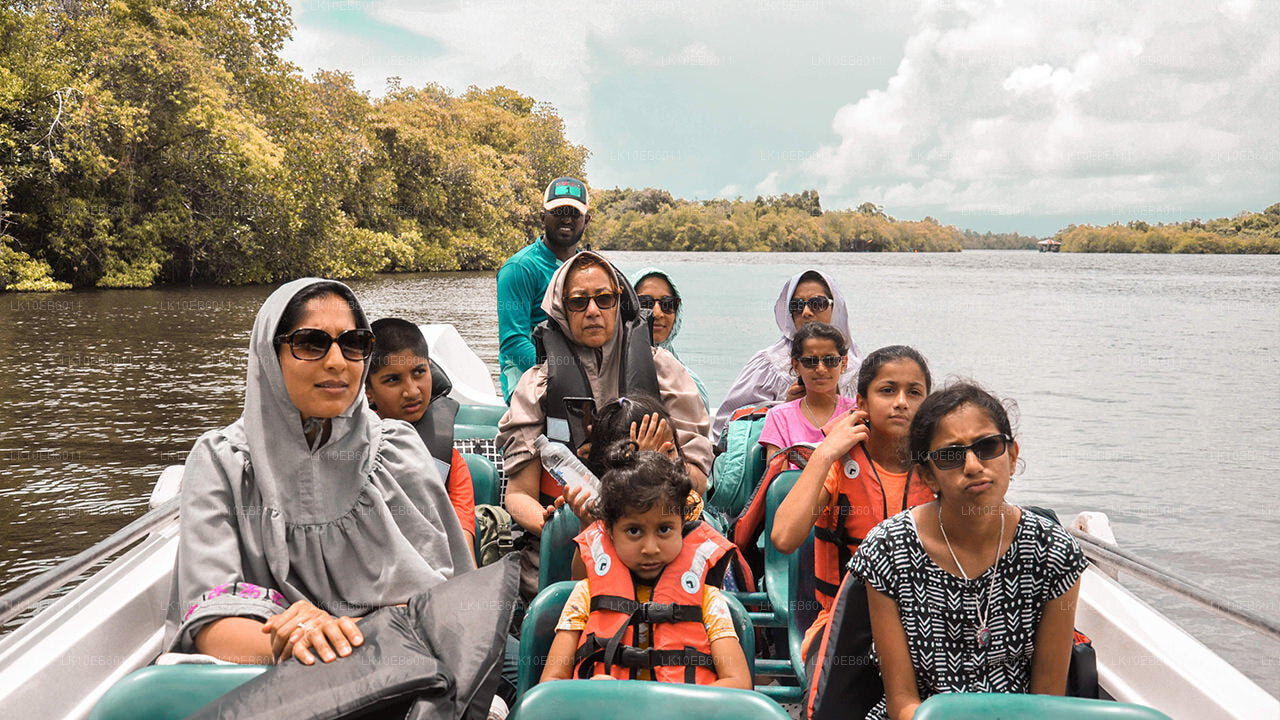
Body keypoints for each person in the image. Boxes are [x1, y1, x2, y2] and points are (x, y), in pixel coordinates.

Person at [165, 278, 474, 666]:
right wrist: (299, 638)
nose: (337, 362)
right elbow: (210, 620)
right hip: (273, 683)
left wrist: (340, 632)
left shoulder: (398, 449)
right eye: (311, 343)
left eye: (353, 343)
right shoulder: (222, 462)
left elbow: (443, 601)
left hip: (400, 671)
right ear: (270, 354)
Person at [849, 382, 1086, 719]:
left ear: (1012, 456)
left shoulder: (1053, 552)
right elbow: (902, 702)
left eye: (987, 446)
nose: (973, 465)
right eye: (950, 455)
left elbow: (1046, 701)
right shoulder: (888, 549)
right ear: (928, 476)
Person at [498, 251, 713, 600]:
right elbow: (519, 495)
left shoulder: (665, 373)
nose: (593, 311)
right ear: (561, 309)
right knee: (549, 597)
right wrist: (556, 524)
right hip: (568, 537)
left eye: (604, 299)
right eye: (578, 302)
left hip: (656, 535)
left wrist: (659, 464)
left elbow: (698, 482)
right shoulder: (536, 386)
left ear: (619, 302)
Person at [540, 441, 752, 688]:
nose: (650, 548)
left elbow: (739, 683)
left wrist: (682, 703)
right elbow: (550, 684)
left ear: (682, 524)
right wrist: (591, 692)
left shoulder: (709, 601)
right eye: (634, 531)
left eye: (664, 529)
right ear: (609, 530)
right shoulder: (584, 596)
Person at [771, 345, 936, 663]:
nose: (901, 402)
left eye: (914, 392)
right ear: (862, 403)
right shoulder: (837, 465)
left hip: (924, 626)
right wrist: (824, 454)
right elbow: (784, 538)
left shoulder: (939, 470)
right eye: (887, 390)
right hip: (843, 625)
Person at [711, 269, 863, 441]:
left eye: (817, 303)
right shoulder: (768, 365)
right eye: (797, 305)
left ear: (835, 307)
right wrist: (785, 407)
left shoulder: (859, 369)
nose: (806, 312)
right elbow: (726, 427)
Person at [365, 317, 476, 549]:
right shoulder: (354, 449)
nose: (412, 391)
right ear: (368, 390)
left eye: (418, 372)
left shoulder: (451, 464)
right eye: (393, 379)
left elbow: (463, 551)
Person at [496, 176, 591, 401]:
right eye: (558, 212)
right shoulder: (519, 269)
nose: (566, 218)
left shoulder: (589, 268)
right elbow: (513, 343)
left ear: (586, 220)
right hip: (529, 380)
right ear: (542, 217)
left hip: (580, 373)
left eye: (574, 213)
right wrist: (565, 376)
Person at [757, 321, 856, 461]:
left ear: (844, 363)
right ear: (796, 365)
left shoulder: (857, 412)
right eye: (810, 361)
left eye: (830, 360)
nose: (821, 369)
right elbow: (777, 471)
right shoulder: (779, 416)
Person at [632, 267, 711, 412]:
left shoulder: (688, 380)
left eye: (667, 304)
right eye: (645, 303)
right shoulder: (615, 372)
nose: (657, 313)